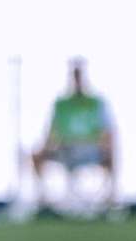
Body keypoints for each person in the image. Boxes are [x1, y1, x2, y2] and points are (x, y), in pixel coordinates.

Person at [28, 59, 116, 216]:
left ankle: (109, 202)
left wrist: (99, 145)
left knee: (112, 153)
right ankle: (43, 202)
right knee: (36, 154)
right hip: (65, 150)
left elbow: (107, 134)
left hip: (90, 151)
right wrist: (48, 146)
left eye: (80, 75)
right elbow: (50, 135)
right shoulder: (61, 104)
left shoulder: (95, 103)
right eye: (75, 76)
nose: (77, 80)